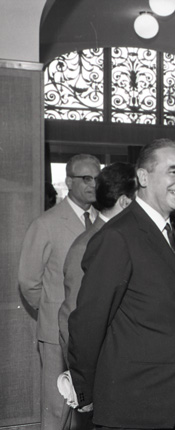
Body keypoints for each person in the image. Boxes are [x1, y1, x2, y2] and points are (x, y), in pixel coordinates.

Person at [67, 139, 175, 429]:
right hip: (137, 403)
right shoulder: (117, 236)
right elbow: (89, 322)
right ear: (143, 177)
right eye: (173, 172)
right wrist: (86, 391)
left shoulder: (169, 231)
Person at [18, 153, 100, 430]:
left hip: (92, 332)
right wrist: (51, 309)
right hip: (56, 333)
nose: (93, 184)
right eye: (85, 178)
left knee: (89, 407)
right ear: (69, 181)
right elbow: (29, 281)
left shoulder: (104, 222)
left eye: (97, 178)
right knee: (57, 409)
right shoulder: (46, 223)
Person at [59, 162, 137, 363]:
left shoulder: (127, 237)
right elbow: (73, 318)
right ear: (125, 202)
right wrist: (80, 375)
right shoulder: (86, 246)